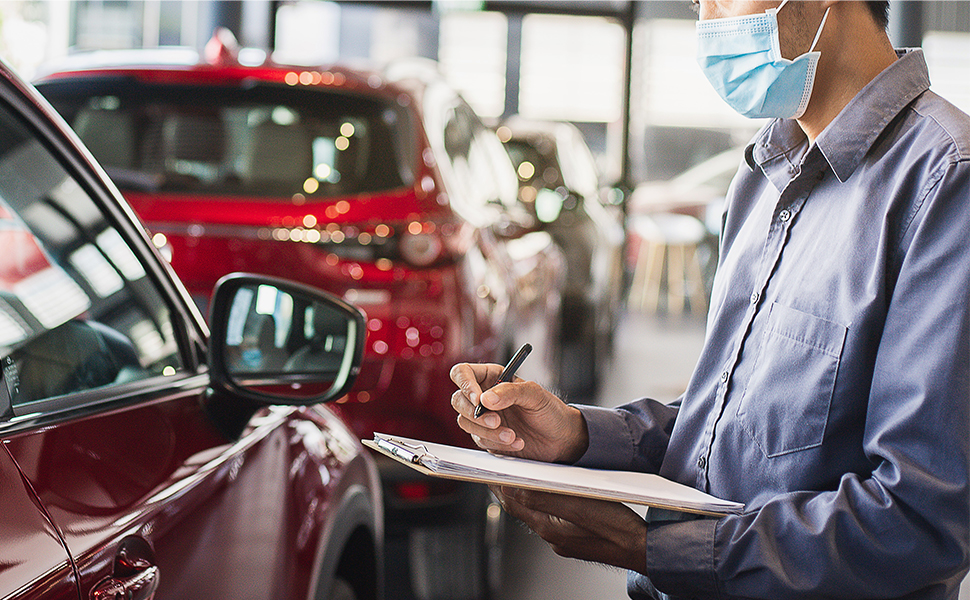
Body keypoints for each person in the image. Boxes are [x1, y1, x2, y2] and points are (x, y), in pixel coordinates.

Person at [450, 1, 970, 598]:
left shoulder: (946, 182)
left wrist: (654, 548)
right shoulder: (764, 172)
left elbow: (923, 518)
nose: (710, 22)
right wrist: (575, 434)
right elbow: (731, 425)